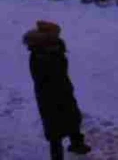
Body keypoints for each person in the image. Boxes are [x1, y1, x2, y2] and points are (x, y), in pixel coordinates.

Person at [23, 21, 91, 159]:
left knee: (73, 117)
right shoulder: (40, 54)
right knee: (55, 128)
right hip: (49, 95)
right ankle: (57, 156)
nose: (58, 36)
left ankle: (77, 144)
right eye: (56, 34)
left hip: (63, 89)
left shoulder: (53, 48)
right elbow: (48, 75)